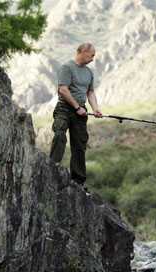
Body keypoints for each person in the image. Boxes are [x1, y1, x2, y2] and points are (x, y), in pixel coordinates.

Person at [49, 42, 102, 192]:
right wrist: (76, 107)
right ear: (83, 51)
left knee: (79, 145)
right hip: (64, 108)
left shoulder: (89, 73)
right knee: (59, 135)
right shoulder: (67, 68)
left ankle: (78, 182)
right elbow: (63, 90)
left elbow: (90, 92)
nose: (93, 58)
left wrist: (96, 109)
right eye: (91, 55)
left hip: (81, 111)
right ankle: (50, 171)